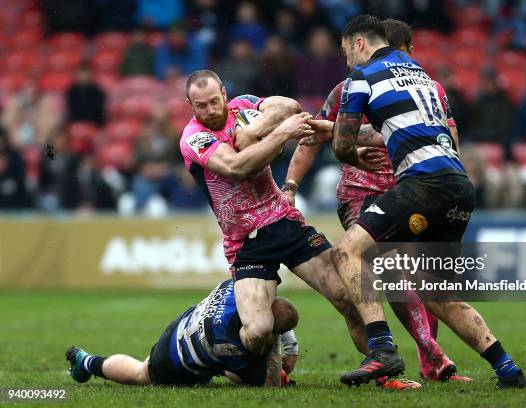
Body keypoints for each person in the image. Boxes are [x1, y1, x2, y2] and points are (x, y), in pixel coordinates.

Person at [321, 15, 526, 388]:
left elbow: (342, 144)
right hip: (459, 186)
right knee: (438, 295)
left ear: (358, 44)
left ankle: (382, 350)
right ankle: (509, 370)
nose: (346, 61)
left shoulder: (360, 78)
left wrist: (351, 154)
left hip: (423, 184)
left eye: (345, 51)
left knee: (348, 252)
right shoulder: (420, 74)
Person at [282, 18, 469, 383]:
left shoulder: (430, 90)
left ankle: (425, 360)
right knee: (389, 271)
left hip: (415, 190)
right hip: (362, 192)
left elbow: (448, 141)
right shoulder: (350, 87)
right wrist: (289, 186)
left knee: (426, 281)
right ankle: (417, 357)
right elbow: (312, 137)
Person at [177, 70, 385, 388]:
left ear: (224, 93)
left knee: (348, 297)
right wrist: (279, 133)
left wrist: (258, 128)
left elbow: (289, 106)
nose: (210, 111)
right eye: (200, 105)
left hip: (285, 221)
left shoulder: (244, 106)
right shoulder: (195, 138)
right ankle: (241, 344)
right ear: (190, 104)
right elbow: (236, 167)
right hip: (246, 242)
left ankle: (382, 372)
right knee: (258, 331)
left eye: (214, 102)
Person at [66, 279, 299, 387]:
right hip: (173, 357)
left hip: (187, 325)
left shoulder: (241, 286)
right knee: (142, 373)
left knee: (232, 362)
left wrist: (280, 333)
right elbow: (269, 382)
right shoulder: (228, 339)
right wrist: (277, 344)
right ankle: (86, 363)